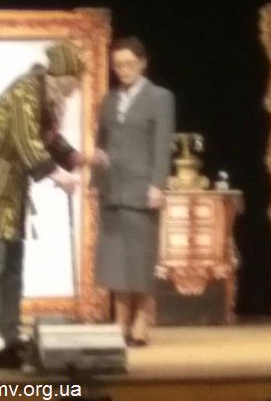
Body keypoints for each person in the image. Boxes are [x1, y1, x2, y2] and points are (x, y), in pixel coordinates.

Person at [0, 41, 95, 358]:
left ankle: (9, 329)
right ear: (60, 77)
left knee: (12, 267)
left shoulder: (43, 97)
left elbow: (50, 138)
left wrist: (76, 158)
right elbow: (28, 142)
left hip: (14, 192)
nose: (73, 91)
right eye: (72, 84)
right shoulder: (25, 93)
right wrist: (59, 176)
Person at [92, 36, 175, 347]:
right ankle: (120, 320)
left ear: (142, 63)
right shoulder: (109, 99)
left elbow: (162, 143)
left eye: (128, 64)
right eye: (118, 65)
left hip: (142, 188)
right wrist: (95, 181)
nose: (123, 70)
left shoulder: (160, 97)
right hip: (112, 187)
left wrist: (158, 184)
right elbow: (101, 142)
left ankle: (142, 320)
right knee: (115, 259)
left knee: (140, 257)